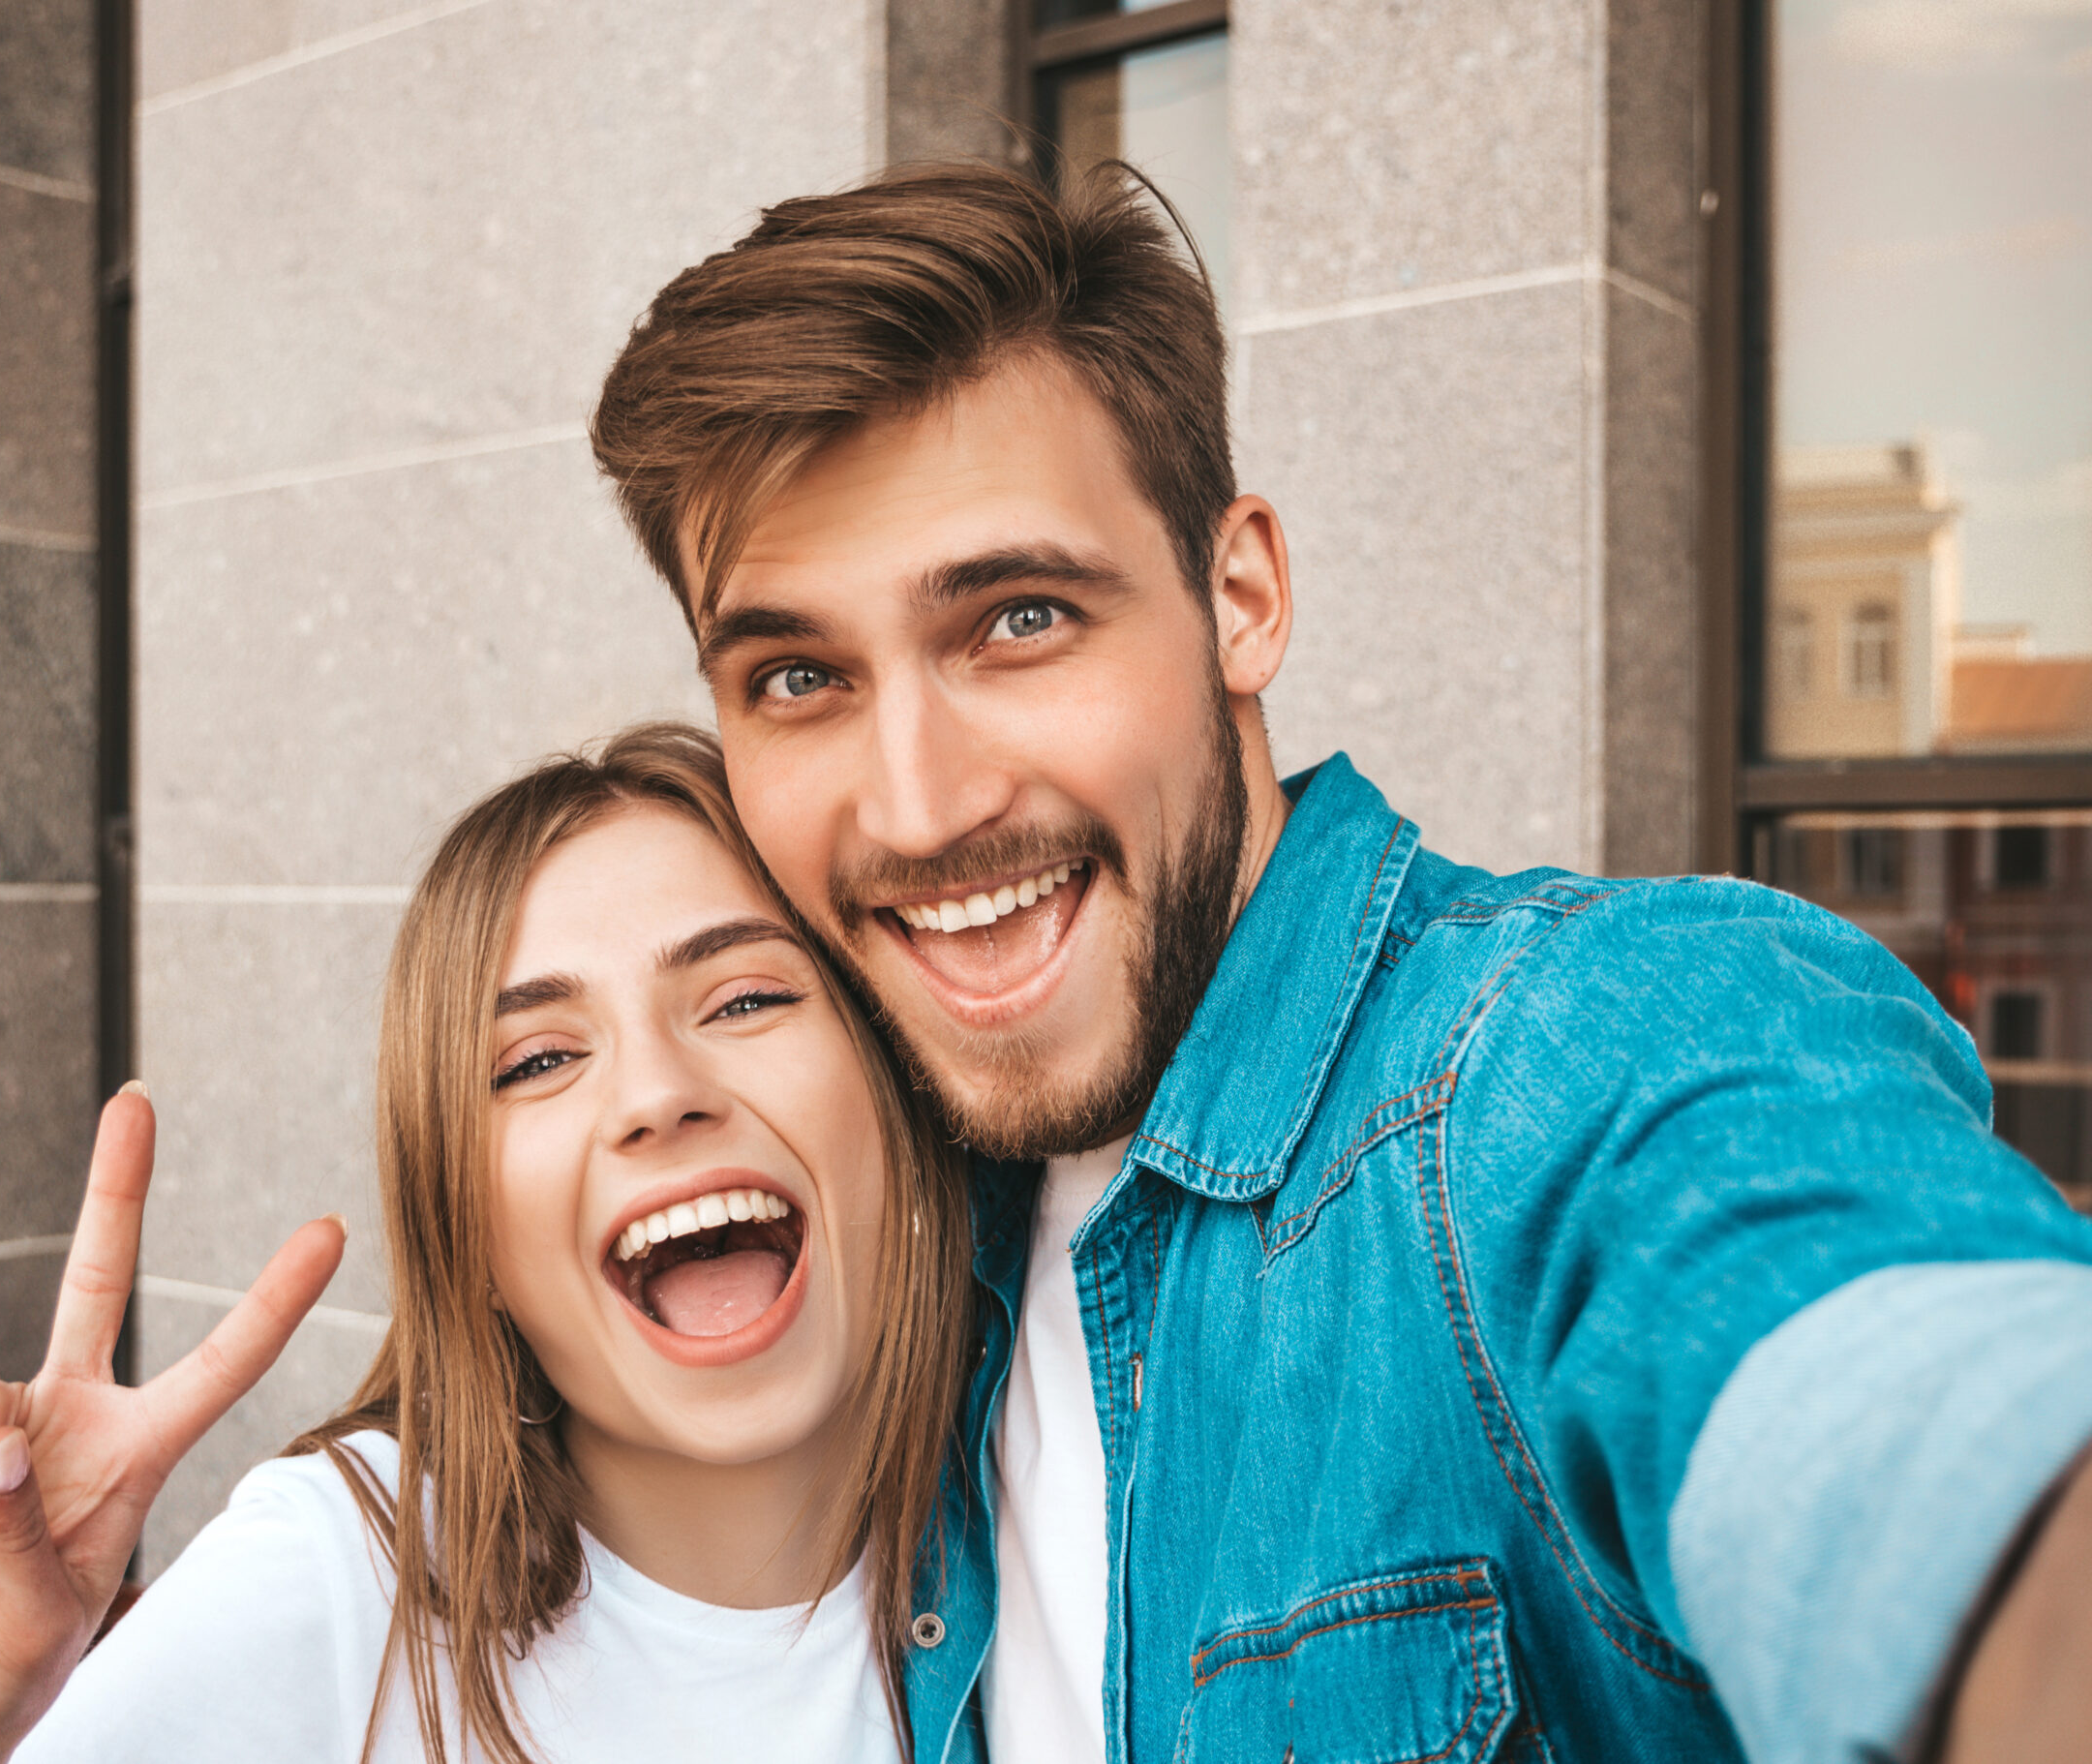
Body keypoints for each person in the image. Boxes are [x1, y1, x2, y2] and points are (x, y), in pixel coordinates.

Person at [587, 162, 2092, 1763]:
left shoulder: (1560, 1058)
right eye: (799, 672)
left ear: (1241, 598)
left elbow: (1926, 1423)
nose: (919, 801)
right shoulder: (892, 1202)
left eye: (1020, 620)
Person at [0, 725, 972, 1763]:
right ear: (467, 1238)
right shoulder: (341, 1572)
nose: (658, 1093)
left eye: (744, 1000)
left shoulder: (1057, 1499)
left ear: (893, 1100)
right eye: (537, 1062)